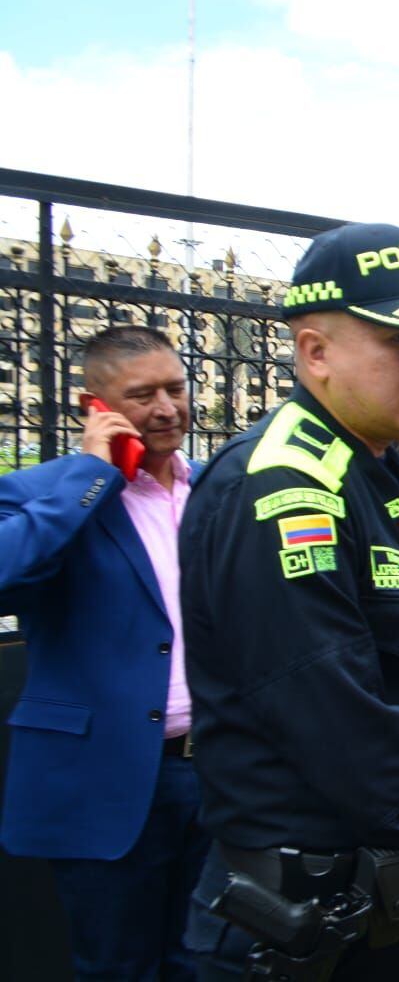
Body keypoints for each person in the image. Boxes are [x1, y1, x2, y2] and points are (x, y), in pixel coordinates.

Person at [179, 223, 399, 981]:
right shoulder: (281, 487)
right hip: (319, 928)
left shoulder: (377, 475)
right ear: (315, 353)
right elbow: (334, 715)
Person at [0, 325, 207, 980]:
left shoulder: (214, 489)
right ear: (97, 406)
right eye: (142, 395)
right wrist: (93, 477)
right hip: (106, 779)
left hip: (220, 774)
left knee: (206, 961)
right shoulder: (44, 492)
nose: (167, 408)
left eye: (175, 388)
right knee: (116, 966)